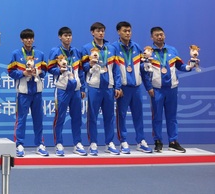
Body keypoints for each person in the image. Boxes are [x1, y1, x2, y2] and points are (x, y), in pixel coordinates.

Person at [144, 27, 194, 153]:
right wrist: (149, 87)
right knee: (157, 117)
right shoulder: (148, 52)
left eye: (161, 34)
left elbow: (180, 66)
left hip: (172, 89)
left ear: (164, 35)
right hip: (157, 89)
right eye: (156, 35)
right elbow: (144, 71)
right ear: (152, 37)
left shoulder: (172, 50)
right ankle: (158, 141)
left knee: (172, 117)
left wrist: (189, 67)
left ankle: (173, 142)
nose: (159, 37)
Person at [82, 22, 122, 156]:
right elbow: (83, 69)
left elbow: (116, 69)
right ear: (92, 32)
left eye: (103, 31)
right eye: (98, 31)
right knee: (92, 116)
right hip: (94, 86)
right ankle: (93, 143)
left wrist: (117, 86)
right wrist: (89, 64)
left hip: (109, 87)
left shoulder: (111, 48)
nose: (101, 33)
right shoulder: (86, 48)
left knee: (109, 117)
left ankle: (109, 143)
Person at [112, 21, 153, 154]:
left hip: (136, 87)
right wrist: (117, 87)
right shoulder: (113, 48)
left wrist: (148, 86)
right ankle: (123, 141)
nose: (128, 33)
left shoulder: (137, 47)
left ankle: (141, 141)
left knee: (138, 115)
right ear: (118, 32)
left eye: (129, 31)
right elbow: (114, 70)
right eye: (125, 31)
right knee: (121, 116)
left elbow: (142, 69)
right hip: (123, 88)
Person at [7, 28, 48, 157]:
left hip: (37, 92)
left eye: (31, 38)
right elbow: (10, 72)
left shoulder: (40, 54)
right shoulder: (16, 54)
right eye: (26, 38)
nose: (29, 40)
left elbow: (45, 71)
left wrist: (38, 72)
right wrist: (23, 73)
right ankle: (19, 145)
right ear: (22, 40)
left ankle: (40, 144)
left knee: (38, 119)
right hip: (23, 92)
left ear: (33, 39)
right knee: (21, 119)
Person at [46, 27, 87, 157]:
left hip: (76, 90)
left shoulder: (76, 52)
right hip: (62, 89)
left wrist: (82, 88)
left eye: (70, 35)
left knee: (77, 118)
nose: (68, 37)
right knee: (60, 117)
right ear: (60, 37)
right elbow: (49, 68)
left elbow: (81, 71)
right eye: (65, 35)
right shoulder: (55, 51)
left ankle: (77, 143)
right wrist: (59, 71)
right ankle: (58, 144)